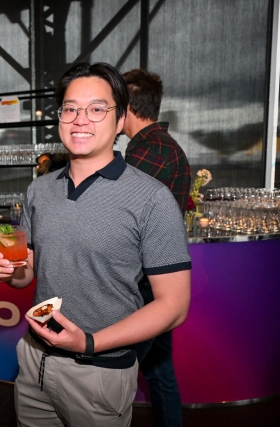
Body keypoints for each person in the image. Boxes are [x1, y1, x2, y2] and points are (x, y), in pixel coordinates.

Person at [0, 62, 191, 427]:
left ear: (119, 120)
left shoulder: (151, 199)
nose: (80, 119)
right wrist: (11, 272)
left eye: (97, 109)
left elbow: (174, 306)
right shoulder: (40, 189)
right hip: (34, 359)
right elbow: (28, 273)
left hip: (99, 372)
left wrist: (90, 343)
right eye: (70, 108)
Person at [122, 68, 191, 427]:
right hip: (156, 280)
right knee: (160, 373)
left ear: (128, 106)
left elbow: (116, 212)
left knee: (115, 376)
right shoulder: (161, 147)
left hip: (143, 285)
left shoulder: (150, 151)